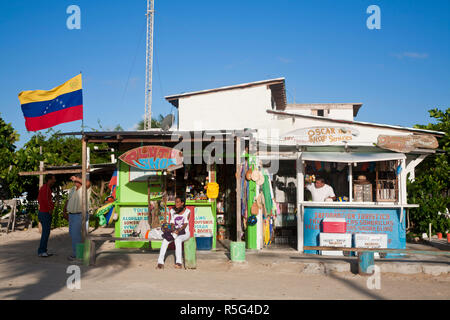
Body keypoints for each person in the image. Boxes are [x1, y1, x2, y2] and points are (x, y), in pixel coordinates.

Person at [157, 196, 190, 269]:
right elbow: (172, 223)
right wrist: (173, 229)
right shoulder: (172, 211)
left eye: (178, 202)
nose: (176, 203)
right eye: (175, 202)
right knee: (165, 240)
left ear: (182, 203)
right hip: (175, 231)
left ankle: (179, 262)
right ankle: (160, 262)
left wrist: (179, 230)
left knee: (178, 240)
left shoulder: (187, 211)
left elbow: (185, 224)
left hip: (185, 232)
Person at [63, 174, 91, 261]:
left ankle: (78, 255)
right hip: (72, 214)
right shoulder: (72, 189)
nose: (75, 182)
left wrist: (77, 178)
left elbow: (88, 183)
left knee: (76, 235)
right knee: (73, 234)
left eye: (77, 180)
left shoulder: (85, 187)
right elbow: (68, 200)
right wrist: (64, 211)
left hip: (80, 214)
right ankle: (80, 253)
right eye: (74, 180)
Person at [37, 174, 56, 257]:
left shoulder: (43, 188)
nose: (54, 181)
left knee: (45, 233)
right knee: (45, 233)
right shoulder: (46, 188)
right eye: (53, 179)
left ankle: (43, 250)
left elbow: (39, 199)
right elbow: (45, 200)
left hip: (42, 212)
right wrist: (50, 209)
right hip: (45, 213)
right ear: (49, 179)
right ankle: (41, 251)